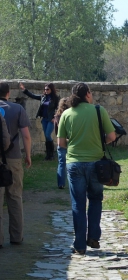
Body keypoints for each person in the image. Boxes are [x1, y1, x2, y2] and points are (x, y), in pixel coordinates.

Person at [57, 82, 116, 255]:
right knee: (96, 199)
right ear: (88, 94)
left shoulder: (66, 114)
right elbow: (111, 136)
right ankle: (94, 236)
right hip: (96, 163)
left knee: (78, 203)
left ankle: (79, 244)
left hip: (74, 163)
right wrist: (99, 141)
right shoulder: (99, 111)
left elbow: (61, 143)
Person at [0, 82, 31, 248]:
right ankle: (16, 236)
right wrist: (28, 155)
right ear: (8, 93)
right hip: (13, 158)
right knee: (15, 196)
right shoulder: (17, 109)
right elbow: (26, 135)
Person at [19, 82, 59, 160]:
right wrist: (24, 90)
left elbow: (59, 109)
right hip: (44, 119)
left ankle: (52, 153)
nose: (46, 91)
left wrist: (55, 117)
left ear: (51, 89)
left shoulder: (55, 98)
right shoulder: (43, 97)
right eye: (45, 89)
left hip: (51, 119)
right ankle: (48, 155)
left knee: (48, 135)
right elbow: (33, 96)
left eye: (47, 89)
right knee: (46, 137)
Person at [54, 97, 69, 190]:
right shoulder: (71, 115)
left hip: (61, 140)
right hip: (71, 140)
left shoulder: (57, 116)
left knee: (62, 163)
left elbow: (56, 130)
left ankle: (61, 183)